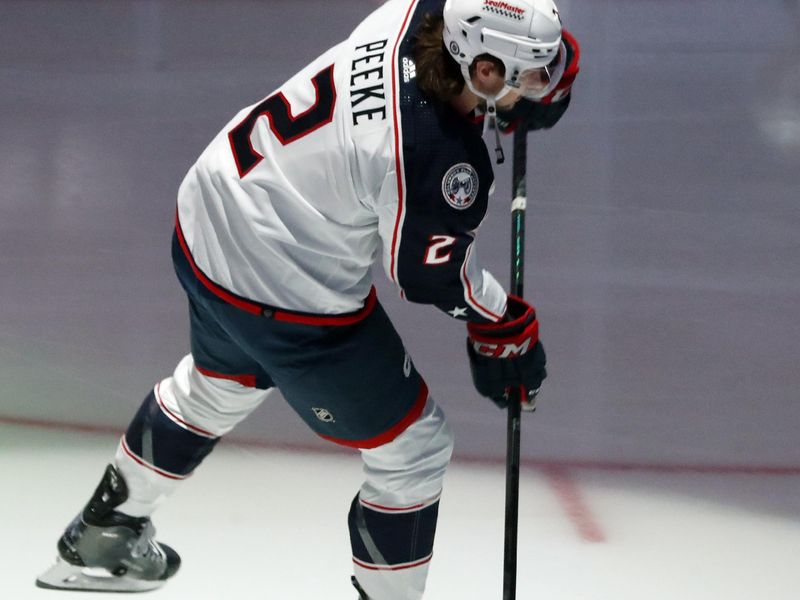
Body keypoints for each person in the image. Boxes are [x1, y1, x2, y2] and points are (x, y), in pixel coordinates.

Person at [36, 0, 579, 598]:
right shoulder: (437, 160)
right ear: (481, 71)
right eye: (531, 72)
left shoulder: (419, 14)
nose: (543, 84)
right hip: (278, 280)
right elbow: (427, 277)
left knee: (220, 384)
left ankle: (103, 535)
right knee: (413, 448)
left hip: (212, 211)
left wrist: (508, 89)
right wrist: (499, 324)